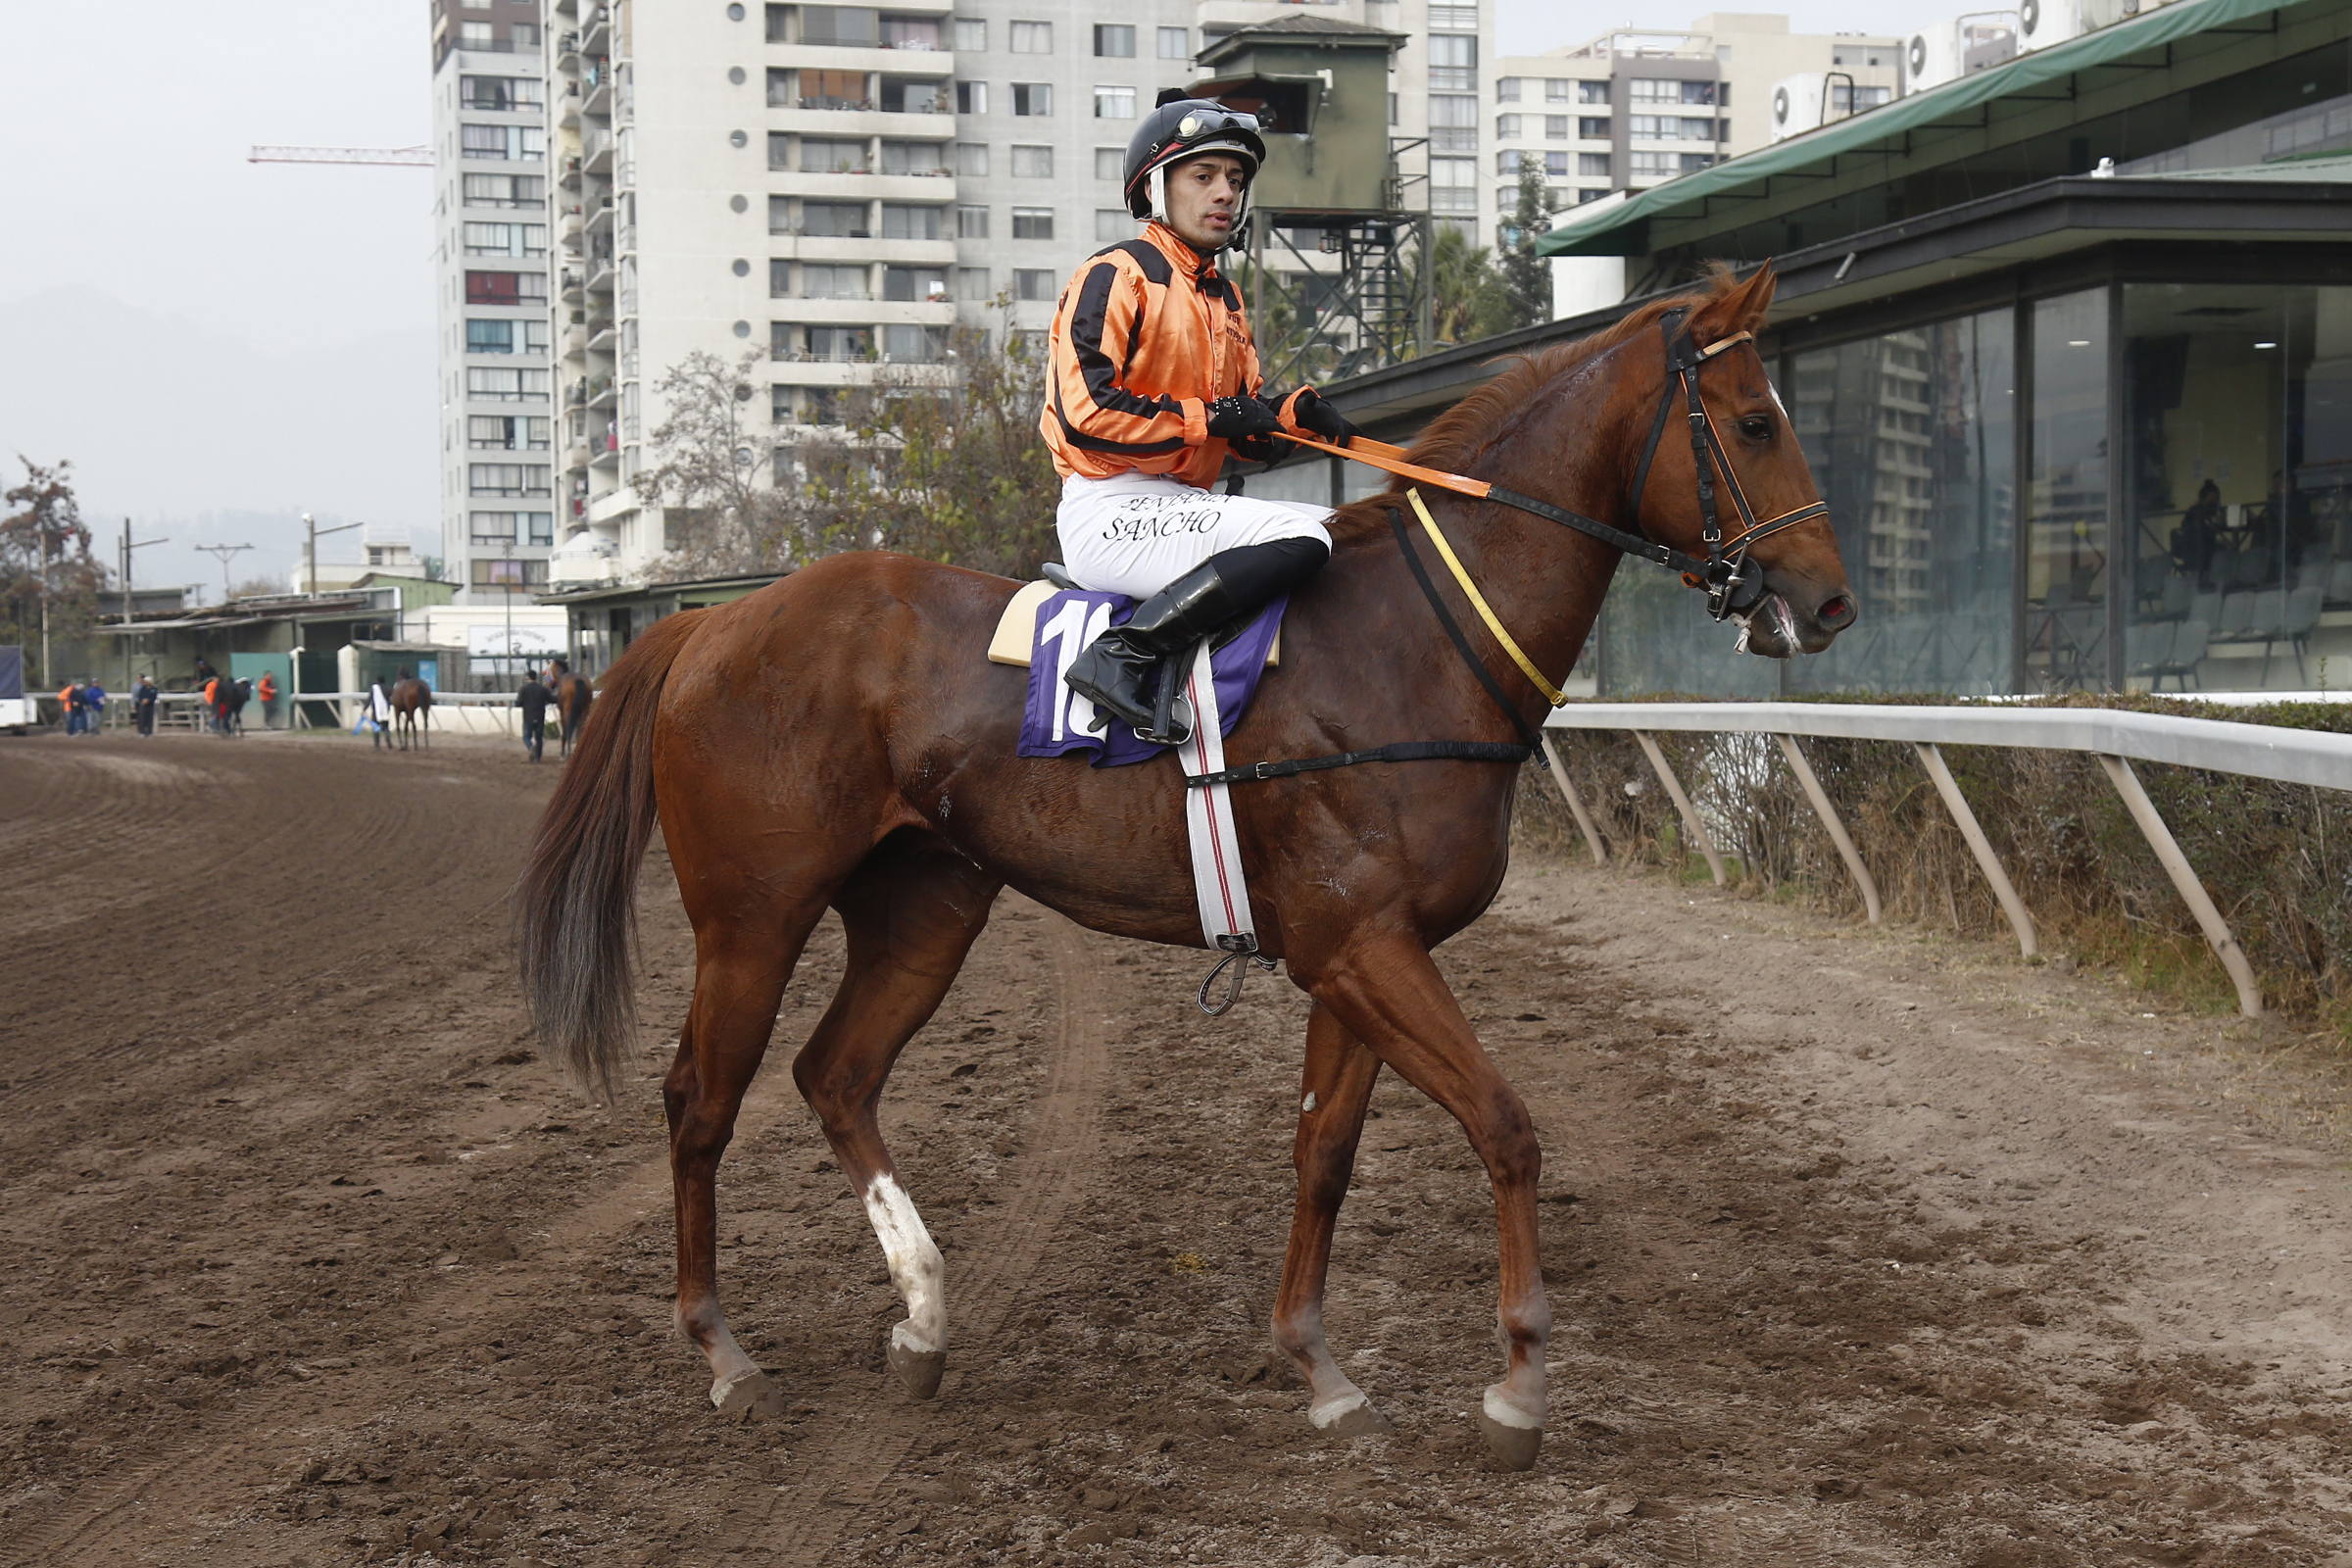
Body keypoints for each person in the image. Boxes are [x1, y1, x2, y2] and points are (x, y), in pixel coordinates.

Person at [1041, 95, 1362, 743]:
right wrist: (1209, 418)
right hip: (1109, 508)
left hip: (1180, 507)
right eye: (1204, 176)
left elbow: (1244, 430)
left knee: (1352, 534)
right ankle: (1122, 655)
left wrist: (1293, 417)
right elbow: (1085, 414)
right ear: (1154, 188)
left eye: (1235, 181)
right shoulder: (1115, 274)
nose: (1225, 194)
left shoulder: (1224, 300)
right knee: (1307, 539)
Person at [516, 672, 553, 762]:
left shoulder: (524, 689)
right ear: (536, 677)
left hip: (528, 716)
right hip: (540, 716)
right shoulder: (542, 689)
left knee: (526, 736)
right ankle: (538, 758)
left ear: (528, 677)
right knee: (539, 738)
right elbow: (552, 699)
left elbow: (518, 703)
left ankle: (531, 747)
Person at [368, 676, 393, 750]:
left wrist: (364, 708)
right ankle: (388, 741)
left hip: (376, 711)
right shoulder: (389, 688)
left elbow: (369, 699)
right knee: (385, 727)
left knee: (376, 728)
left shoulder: (374, 688)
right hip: (385, 710)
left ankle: (377, 745)